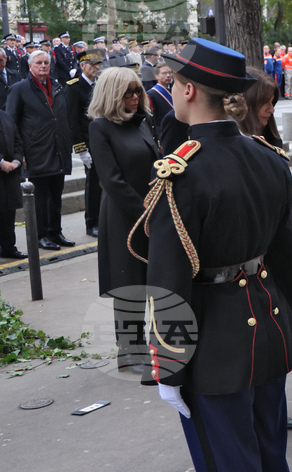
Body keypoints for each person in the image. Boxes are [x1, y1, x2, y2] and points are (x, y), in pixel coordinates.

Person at [144, 38, 292, 472]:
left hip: (211, 346)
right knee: (269, 465)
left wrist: (160, 368)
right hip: (266, 328)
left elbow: (163, 279)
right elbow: (285, 259)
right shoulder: (267, 158)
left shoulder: (178, 169)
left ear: (188, 90)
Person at [233, 67, 292, 431]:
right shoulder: (238, 144)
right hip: (256, 257)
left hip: (280, 252)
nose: (270, 110)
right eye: (264, 102)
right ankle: (259, 410)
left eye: (273, 102)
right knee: (258, 337)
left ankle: (274, 406)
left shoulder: (266, 140)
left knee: (279, 334)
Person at [88, 67, 157, 373]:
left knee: (151, 278)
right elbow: (111, 180)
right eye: (128, 92)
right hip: (123, 214)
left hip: (151, 211)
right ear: (112, 94)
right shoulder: (101, 127)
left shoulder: (144, 122)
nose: (134, 97)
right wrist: (145, 213)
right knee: (127, 281)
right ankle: (130, 349)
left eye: (137, 91)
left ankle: (150, 344)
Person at [7, 49, 74, 250]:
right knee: (40, 198)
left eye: (46, 62)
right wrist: (20, 153)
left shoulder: (58, 86)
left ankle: (55, 231)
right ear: (30, 66)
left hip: (59, 148)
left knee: (56, 195)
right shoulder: (19, 89)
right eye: (38, 63)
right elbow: (11, 123)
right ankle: (41, 235)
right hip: (36, 150)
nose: (43, 66)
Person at [66, 49, 104, 238]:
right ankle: (92, 222)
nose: (97, 68)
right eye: (93, 65)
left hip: (102, 141)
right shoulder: (74, 87)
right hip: (89, 144)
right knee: (93, 186)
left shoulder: (99, 85)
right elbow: (73, 123)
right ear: (83, 66)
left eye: (99, 65)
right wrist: (82, 151)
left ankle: (102, 219)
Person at [0, 108, 25, 259]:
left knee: (8, 213)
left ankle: (9, 247)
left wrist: (16, 160)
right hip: (3, 167)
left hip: (10, 173)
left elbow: (17, 140)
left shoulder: (5, 115)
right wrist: (1, 162)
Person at [147, 62, 174, 139]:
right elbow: (153, 119)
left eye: (170, 72)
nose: (168, 75)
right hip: (164, 134)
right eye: (164, 73)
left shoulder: (173, 89)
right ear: (156, 76)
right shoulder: (151, 93)